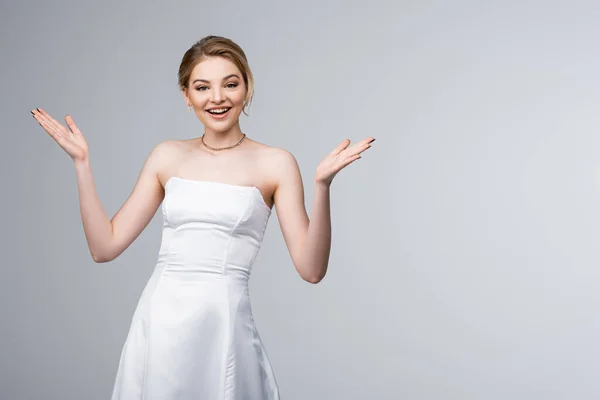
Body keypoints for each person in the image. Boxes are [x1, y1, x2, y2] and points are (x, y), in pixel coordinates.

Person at [31, 35, 375, 399]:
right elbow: (104, 247)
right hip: (161, 321)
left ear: (246, 87)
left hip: (224, 323)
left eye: (230, 84)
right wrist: (82, 164)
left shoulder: (276, 163)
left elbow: (311, 270)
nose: (217, 98)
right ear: (186, 95)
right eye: (202, 87)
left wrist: (322, 185)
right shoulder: (167, 156)